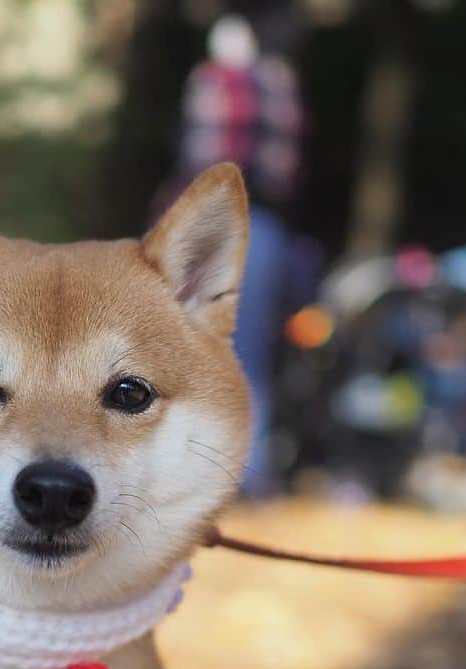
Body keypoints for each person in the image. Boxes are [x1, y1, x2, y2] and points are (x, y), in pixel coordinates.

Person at [170, 10, 306, 494]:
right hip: (266, 228)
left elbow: (200, 158)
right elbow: (285, 170)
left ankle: (214, 472)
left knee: (200, 348)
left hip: (211, 228)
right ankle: (252, 472)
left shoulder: (212, 81)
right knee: (252, 351)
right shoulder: (281, 82)